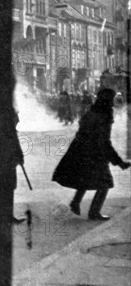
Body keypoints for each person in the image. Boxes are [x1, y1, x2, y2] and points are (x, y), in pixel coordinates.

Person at [53, 88, 130, 221]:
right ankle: (94, 212)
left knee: (85, 178)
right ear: (107, 100)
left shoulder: (92, 111)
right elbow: (104, 142)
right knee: (105, 183)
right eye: (111, 99)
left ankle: (75, 202)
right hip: (94, 154)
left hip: (80, 150)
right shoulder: (104, 115)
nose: (113, 102)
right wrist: (118, 162)